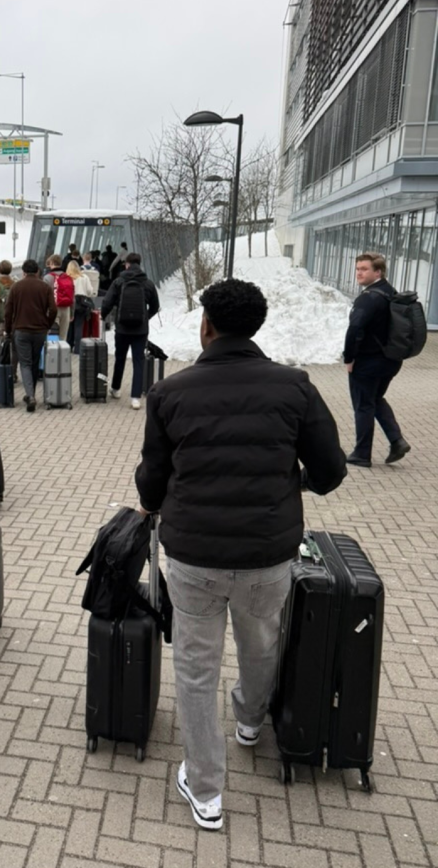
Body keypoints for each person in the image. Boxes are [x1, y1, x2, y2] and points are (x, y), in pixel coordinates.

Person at [135, 278, 347, 831]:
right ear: (257, 326)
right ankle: (251, 722)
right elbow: (331, 471)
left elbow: (152, 478)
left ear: (206, 326)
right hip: (268, 554)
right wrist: (291, 482)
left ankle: (205, 790)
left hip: (193, 554)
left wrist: (153, 503)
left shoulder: (169, 393)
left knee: (195, 668)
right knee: (261, 643)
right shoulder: (295, 387)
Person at [344, 252, 410, 467]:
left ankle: (362, 454)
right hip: (391, 360)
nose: (359, 273)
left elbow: (354, 328)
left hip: (368, 362)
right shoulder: (391, 293)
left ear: (378, 271)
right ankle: (397, 441)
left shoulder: (369, 297)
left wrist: (349, 358)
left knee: (363, 405)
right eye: (357, 269)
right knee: (375, 399)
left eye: (364, 269)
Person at [101, 252, 159, 409]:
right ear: (139, 264)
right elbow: (155, 306)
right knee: (138, 361)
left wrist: (103, 316)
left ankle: (116, 389)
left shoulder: (119, 281)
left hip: (122, 328)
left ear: (126, 264)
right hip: (140, 330)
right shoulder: (148, 283)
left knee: (120, 358)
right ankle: (135, 398)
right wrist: (145, 318)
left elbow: (107, 302)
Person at [4, 259, 57, 412]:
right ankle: (30, 394)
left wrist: (8, 330)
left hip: (21, 330)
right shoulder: (45, 287)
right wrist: (47, 324)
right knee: (34, 362)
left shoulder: (16, 287)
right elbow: (53, 310)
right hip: (40, 331)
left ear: (24, 272)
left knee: (25, 363)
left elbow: (8, 312)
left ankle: (31, 396)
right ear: (38, 271)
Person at [66, 259, 94, 355]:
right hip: (81, 304)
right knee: (79, 326)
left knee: (69, 326)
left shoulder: (67, 278)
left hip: (70, 303)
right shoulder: (84, 277)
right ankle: (77, 349)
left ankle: (68, 346)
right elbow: (90, 291)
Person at [43, 253, 73, 339]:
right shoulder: (68, 277)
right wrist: (71, 313)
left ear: (52, 263)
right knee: (63, 337)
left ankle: (53, 352)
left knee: (52, 336)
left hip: (53, 308)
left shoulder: (47, 278)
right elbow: (72, 297)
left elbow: (45, 297)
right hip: (66, 309)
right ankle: (63, 352)